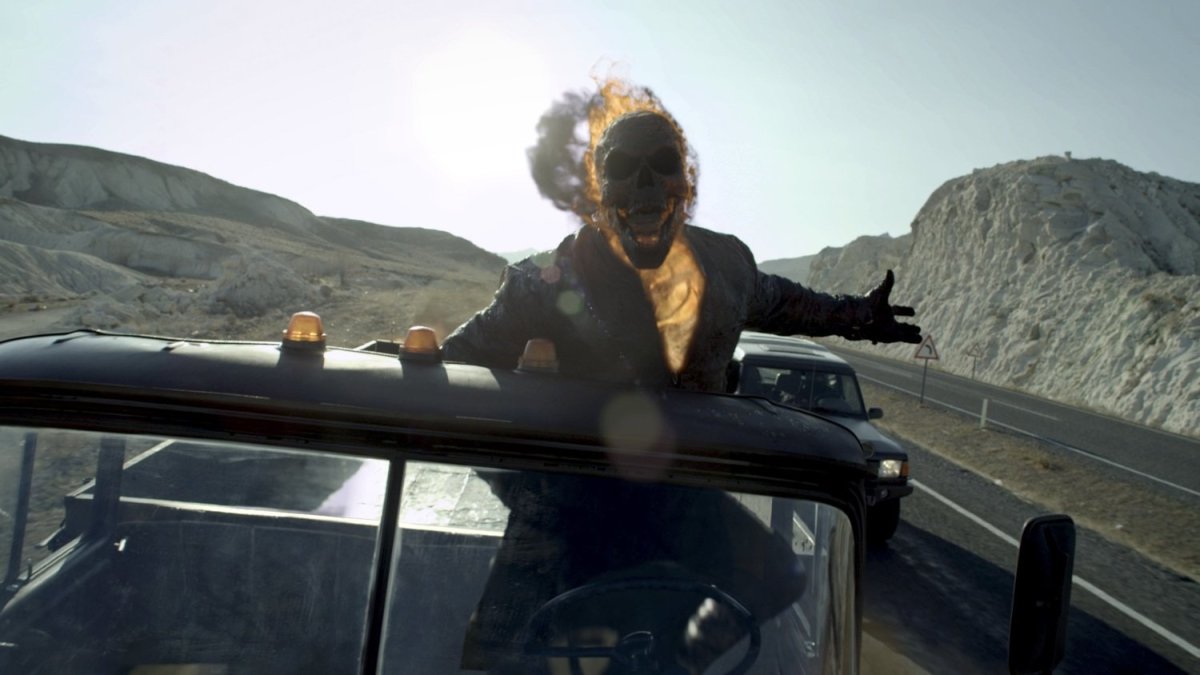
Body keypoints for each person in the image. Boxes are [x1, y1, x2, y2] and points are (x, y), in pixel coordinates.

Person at [443, 80, 920, 391]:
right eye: (622, 169)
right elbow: (451, 370)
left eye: (663, 165)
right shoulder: (539, 287)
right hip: (580, 501)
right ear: (597, 191)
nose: (646, 187)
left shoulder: (729, 269)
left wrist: (862, 315)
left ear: (686, 183)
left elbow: (794, 305)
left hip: (696, 497)